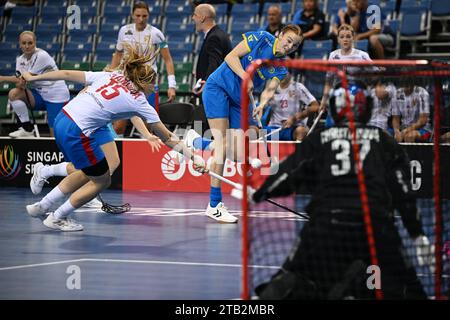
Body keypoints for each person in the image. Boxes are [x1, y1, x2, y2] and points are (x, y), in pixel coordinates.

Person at [250, 82, 432, 299]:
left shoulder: (320, 138)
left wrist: (262, 191)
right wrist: (417, 234)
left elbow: (290, 174)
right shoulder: (383, 140)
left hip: (325, 225)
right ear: (367, 108)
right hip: (375, 226)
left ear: (336, 108)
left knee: (292, 274)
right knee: (407, 282)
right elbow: (403, 192)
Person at [23, 46, 206, 232]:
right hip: (77, 131)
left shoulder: (112, 76)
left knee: (88, 171)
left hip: (63, 118)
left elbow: (67, 73)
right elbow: (167, 137)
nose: (154, 87)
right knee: (102, 180)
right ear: (143, 83)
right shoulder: (139, 101)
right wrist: (194, 157)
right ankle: (58, 216)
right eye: (153, 84)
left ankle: (44, 205)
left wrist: (34, 78)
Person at [197, 25, 303, 223]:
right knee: (222, 145)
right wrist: (245, 75)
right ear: (279, 35)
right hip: (218, 87)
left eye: (295, 45)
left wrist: (262, 104)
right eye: (288, 40)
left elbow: (270, 89)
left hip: (241, 100)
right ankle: (214, 204)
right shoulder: (262, 38)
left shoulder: (281, 66)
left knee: (237, 152)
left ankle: (199, 143)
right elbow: (230, 57)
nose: (289, 46)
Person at [110, 1, 177, 137]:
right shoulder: (124, 31)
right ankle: (118, 157)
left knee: (148, 127)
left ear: (148, 15)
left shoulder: (156, 34)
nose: (141, 19)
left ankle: (146, 156)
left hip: (148, 84)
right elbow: (118, 54)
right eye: (138, 15)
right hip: (126, 82)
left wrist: (172, 85)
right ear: (133, 15)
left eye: (144, 16)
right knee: (118, 126)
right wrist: (110, 76)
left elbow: (168, 59)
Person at [0, 31, 70, 138]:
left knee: (54, 136)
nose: (27, 46)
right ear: (20, 44)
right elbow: (20, 82)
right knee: (14, 93)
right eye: (24, 43)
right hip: (40, 95)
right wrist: (21, 85)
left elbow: (27, 77)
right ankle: (27, 129)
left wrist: (3, 78)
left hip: (56, 97)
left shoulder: (41, 56)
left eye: (30, 43)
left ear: (35, 43)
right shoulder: (20, 60)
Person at [320, 24, 372, 117]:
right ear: (338, 39)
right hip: (338, 95)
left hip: (356, 96)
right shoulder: (333, 55)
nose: (345, 39)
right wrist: (324, 100)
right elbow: (329, 81)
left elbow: (375, 74)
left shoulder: (362, 55)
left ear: (353, 38)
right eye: (342, 37)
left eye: (348, 36)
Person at [265, 71, 319, 141]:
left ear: (290, 73)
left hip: (292, 129)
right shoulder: (271, 88)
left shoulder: (298, 87)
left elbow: (315, 106)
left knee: (301, 132)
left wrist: (295, 118)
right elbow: (262, 105)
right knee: (253, 131)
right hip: (273, 130)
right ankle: (256, 151)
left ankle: (298, 152)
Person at [192, 3, 232, 96]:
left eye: (195, 15)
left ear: (202, 18)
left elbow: (215, 62)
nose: (193, 18)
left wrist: (206, 82)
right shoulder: (217, 34)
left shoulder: (214, 37)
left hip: (214, 93)